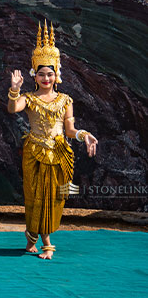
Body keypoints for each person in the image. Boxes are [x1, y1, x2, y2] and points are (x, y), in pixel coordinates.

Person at [7, 20, 97, 260]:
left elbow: (69, 129)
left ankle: (44, 238)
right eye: (41, 74)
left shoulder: (65, 100)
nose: (46, 78)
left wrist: (84, 135)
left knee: (56, 197)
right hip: (34, 152)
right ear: (34, 76)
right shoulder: (29, 98)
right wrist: (14, 89)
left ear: (57, 75)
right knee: (33, 196)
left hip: (58, 154)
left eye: (50, 73)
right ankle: (34, 239)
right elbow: (13, 108)